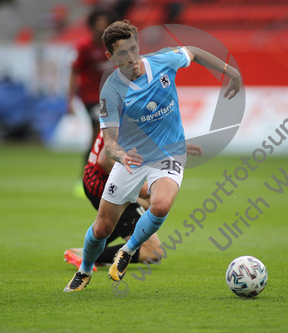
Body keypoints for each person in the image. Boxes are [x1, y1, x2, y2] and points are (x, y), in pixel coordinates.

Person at [64, 19, 241, 292]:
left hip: (168, 154)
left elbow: (192, 50)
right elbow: (108, 141)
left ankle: (127, 250)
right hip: (131, 160)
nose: (131, 57)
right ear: (111, 56)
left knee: (160, 205)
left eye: (134, 49)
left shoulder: (163, 62)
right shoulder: (111, 91)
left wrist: (231, 72)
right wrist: (121, 156)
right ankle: (84, 270)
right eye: (122, 53)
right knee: (102, 228)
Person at [63, 130, 202, 270]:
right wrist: (140, 187)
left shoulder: (127, 113)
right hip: (103, 184)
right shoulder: (127, 117)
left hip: (96, 178)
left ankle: (94, 249)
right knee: (153, 252)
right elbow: (105, 160)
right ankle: (85, 255)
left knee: (151, 204)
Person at [68, 8, 116, 163]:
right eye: (98, 24)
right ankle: (87, 174)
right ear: (92, 25)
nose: (101, 27)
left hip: (109, 96)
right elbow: (74, 72)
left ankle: (97, 173)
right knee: (98, 132)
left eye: (104, 24)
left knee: (103, 136)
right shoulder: (84, 46)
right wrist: (69, 100)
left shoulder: (114, 46)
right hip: (90, 96)